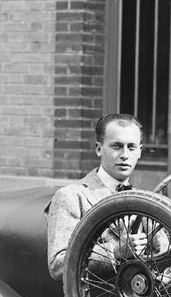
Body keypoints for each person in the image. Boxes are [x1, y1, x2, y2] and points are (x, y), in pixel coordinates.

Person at [46, 113, 144, 279]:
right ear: (99, 149)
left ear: (140, 152)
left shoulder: (144, 200)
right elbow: (58, 265)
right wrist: (117, 250)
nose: (125, 155)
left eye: (131, 147)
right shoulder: (72, 196)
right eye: (116, 146)